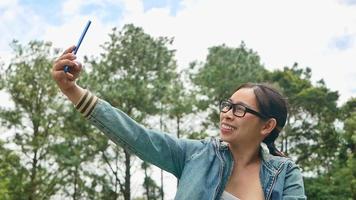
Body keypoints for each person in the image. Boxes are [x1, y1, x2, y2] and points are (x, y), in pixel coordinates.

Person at [51, 46, 307, 200]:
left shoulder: (285, 173)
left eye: (240, 109)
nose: (227, 114)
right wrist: (72, 90)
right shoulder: (194, 155)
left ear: (267, 126)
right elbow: (135, 136)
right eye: (227, 105)